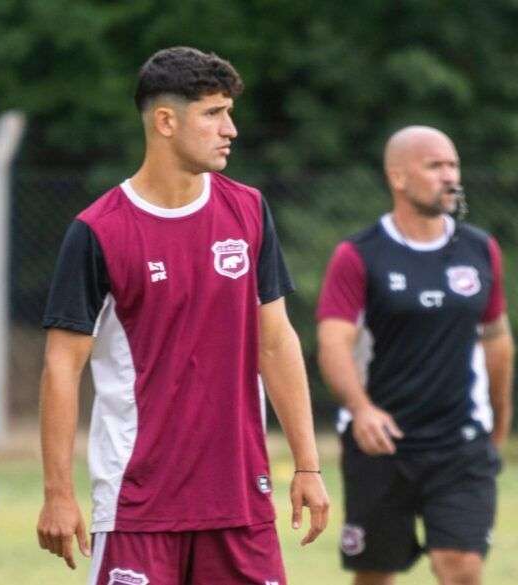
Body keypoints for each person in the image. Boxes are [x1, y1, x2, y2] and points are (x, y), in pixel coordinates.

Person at [36, 46, 329, 584]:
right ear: (166, 122)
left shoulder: (248, 210)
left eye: (229, 112)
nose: (230, 129)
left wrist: (307, 464)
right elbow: (61, 366)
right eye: (213, 113)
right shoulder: (99, 231)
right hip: (138, 506)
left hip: (240, 500)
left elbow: (275, 342)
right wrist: (58, 493)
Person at [316, 126, 515, 585]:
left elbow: (497, 339)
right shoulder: (358, 255)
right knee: (375, 573)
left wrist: (500, 420)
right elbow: (332, 343)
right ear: (399, 178)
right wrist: (361, 409)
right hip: (381, 442)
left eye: (453, 165)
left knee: (460, 565)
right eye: (435, 166)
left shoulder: (481, 249)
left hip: (459, 440)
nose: (450, 177)